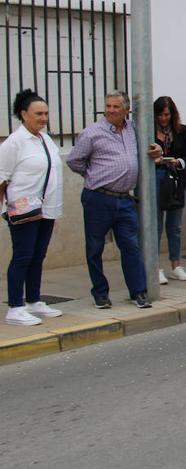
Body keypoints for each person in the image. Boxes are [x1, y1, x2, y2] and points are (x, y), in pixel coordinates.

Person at [66, 91, 161, 309]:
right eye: (108, 106)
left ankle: (138, 291)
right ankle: (100, 293)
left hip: (125, 199)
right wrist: (93, 175)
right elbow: (74, 160)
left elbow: (150, 148)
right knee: (95, 248)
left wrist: (158, 149)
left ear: (126, 109)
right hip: (98, 198)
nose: (110, 110)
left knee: (131, 246)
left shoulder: (133, 129)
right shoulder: (92, 133)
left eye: (115, 107)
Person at [0, 90, 65, 326]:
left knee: (38, 255)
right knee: (23, 256)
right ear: (23, 114)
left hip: (46, 208)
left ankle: (33, 301)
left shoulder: (45, 139)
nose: (43, 118)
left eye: (46, 113)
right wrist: (5, 209)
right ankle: (15, 307)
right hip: (23, 210)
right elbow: (2, 177)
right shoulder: (14, 143)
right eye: (38, 114)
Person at [153, 96, 186, 284]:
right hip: (156, 178)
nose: (163, 119)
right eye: (160, 115)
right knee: (155, 226)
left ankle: (176, 265)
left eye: (167, 115)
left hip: (176, 179)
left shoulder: (181, 130)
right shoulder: (149, 131)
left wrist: (179, 161)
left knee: (175, 226)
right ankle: (155, 267)